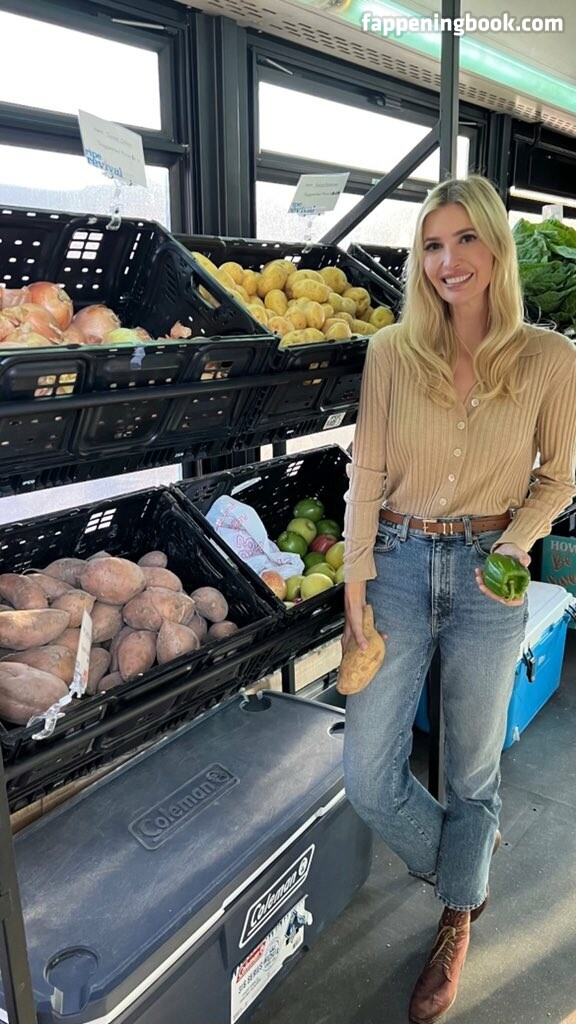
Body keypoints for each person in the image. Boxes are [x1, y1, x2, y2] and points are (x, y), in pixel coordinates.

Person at [341, 175, 576, 1024]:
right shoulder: (390, 351)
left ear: (495, 246)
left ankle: (455, 919)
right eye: (432, 245)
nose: (448, 261)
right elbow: (367, 473)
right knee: (370, 778)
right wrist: (354, 588)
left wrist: (517, 541)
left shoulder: (550, 359)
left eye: (465, 239)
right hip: (398, 563)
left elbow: (560, 478)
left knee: (474, 765)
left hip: (490, 570)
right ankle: (466, 869)